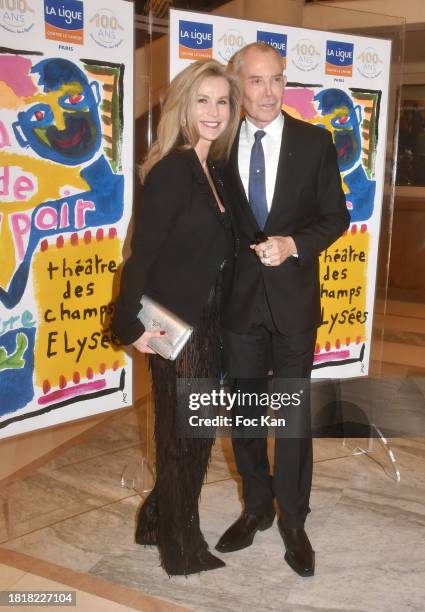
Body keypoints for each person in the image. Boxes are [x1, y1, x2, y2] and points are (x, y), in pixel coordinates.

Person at [215, 43, 350, 577]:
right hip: (239, 305)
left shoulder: (315, 143)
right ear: (237, 85)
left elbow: (335, 217)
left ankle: (294, 519)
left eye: (277, 80)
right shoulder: (219, 146)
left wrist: (294, 244)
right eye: (256, 81)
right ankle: (257, 507)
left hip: (294, 304)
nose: (268, 92)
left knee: (292, 418)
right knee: (245, 413)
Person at [111, 59, 240, 576]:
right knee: (187, 433)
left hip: (208, 323)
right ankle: (179, 547)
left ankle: (154, 519)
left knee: (196, 429)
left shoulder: (216, 170)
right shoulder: (170, 170)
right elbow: (140, 257)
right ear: (184, 106)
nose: (213, 111)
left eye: (222, 101)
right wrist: (129, 329)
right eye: (203, 100)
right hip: (175, 326)